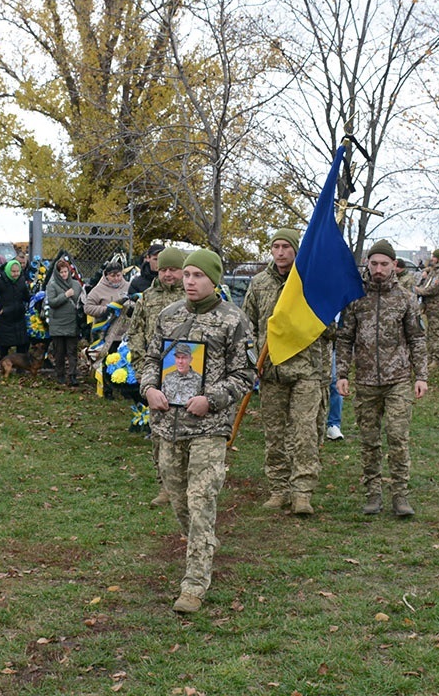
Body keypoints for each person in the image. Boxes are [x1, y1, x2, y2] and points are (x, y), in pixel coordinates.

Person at [139, 248, 255, 614]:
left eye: (197, 275)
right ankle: (203, 544)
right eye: (186, 275)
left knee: (201, 500)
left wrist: (212, 399)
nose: (189, 281)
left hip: (209, 426)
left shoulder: (233, 320)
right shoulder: (167, 316)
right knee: (178, 501)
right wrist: (148, 389)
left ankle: (194, 584)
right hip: (167, 427)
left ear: (214, 279)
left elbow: (246, 375)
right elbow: (150, 361)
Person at [336, 239, 428, 517]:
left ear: (394, 266)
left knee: (398, 437)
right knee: (369, 439)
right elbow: (344, 338)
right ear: (367, 263)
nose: (378, 269)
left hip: (397, 379)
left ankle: (400, 495)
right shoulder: (355, 297)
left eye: (384, 264)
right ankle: (373, 493)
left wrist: (420, 375)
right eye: (373, 263)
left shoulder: (405, 299)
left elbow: (417, 338)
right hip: (365, 380)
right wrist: (341, 373)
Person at [242, 228, 328, 516]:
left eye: (286, 247)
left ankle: (302, 492)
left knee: (304, 432)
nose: (280, 252)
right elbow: (246, 327)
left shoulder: (310, 283)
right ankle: (279, 489)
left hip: (306, 370)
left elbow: (330, 329)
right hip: (271, 372)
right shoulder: (259, 283)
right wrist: (253, 362)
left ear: (296, 250)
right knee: (275, 434)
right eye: (275, 246)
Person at [127, 246, 186, 506]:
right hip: (158, 377)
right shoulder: (147, 299)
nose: (168, 274)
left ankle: (186, 484)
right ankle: (165, 486)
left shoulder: (193, 296)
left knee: (188, 432)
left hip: (190, 375)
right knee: (160, 432)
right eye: (163, 269)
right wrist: (142, 371)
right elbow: (136, 333)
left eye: (173, 269)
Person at [84, 261, 133, 395]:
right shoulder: (98, 290)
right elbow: (87, 307)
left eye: (119, 275)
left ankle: (125, 389)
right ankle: (108, 389)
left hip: (126, 333)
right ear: (106, 276)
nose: (116, 278)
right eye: (113, 276)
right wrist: (106, 310)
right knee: (108, 360)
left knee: (125, 360)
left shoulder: (129, 287)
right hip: (107, 334)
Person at [45, 258, 83, 385]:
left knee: (72, 351)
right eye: (61, 272)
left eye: (66, 271)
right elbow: (52, 302)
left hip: (72, 323)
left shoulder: (76, 285)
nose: (64, 274)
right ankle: (60, 374)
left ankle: (72, 375)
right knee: (59, 352)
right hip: (58, 324)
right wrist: (65, 295)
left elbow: (81, 301)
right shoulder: (52, 285)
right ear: (57, 273)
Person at [0, 258, 32, 359]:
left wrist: (34, 298)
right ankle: (4, 368)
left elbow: (26, 296)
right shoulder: (0, 282)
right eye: (13, 271)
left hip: (19, 317)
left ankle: (20, 368)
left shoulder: (21, 280)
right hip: (5, 318)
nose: (15, 274)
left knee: (22, 345)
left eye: (17, 271)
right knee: (4, 346)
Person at [414, 248, 439, 365]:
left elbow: (433, 289)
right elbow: (431, 269)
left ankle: (437, 359)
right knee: (430, 332)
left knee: (436, 332)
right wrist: (426, 270)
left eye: (434, 257)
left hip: (437, 307)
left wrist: (419, 291)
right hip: (430, 306)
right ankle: (431, 356)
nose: (431, 259)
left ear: (438, 258)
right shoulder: (435, 270)